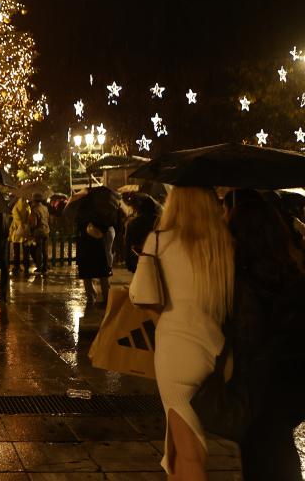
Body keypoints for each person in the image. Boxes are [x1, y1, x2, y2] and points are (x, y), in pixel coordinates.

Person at [131, 186, 234, 480]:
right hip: (218, 349)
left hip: (176, 352)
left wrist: (164, 321)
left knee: (190, 452)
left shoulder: (160, 240)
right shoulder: (223, 242)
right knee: (177, 447)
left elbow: (143, 297)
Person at [228, 196, 305, 481]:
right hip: (292, 381)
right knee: (279, 449)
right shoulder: (292, 270)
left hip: (260, 384)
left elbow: (247, 336)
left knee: (262, 455)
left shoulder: (244, 281)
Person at [124, 195, 161, 273]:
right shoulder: (161, 222)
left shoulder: (133, 223)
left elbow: (128, 243)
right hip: (157, 257)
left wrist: (128, 261)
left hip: (139, 257)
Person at [8, 196, 31, 274]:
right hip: (25, 230)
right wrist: (25, 224)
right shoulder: (27, 206)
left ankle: (16, 266)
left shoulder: (16, 207)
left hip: (17, 231)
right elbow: (29, 216)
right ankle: (26, 265)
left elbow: (16, 218)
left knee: (16, 250)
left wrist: (20, 225)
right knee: (26, 250)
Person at [29, 195, 50, 275]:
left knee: (38, 249)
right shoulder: (45, 208)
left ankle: (39, 267)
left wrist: (31, 226)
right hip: (46, 230)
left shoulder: (35, 210)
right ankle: (45, 267)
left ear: (35, 201)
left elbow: (34, 223)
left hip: (39, 232)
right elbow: (48, 218)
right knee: (45, 250)